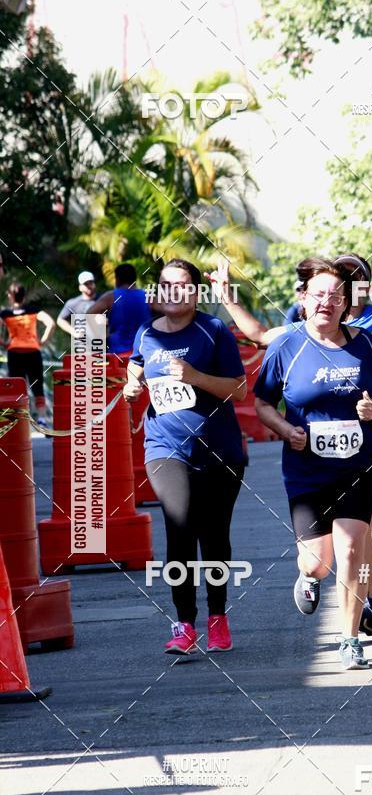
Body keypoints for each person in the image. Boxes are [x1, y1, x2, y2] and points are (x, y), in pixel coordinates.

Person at [213, 249, 372, 634]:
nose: (343, 286)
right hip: (329, 434)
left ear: (363, 287)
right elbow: (263, 337)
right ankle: (366, 602)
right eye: (339, 278)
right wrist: (227, 297)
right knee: (357, 529)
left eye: (353, 277)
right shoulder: (309, 321)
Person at [251, 256, 372, 670]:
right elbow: (262, 403)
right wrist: (286, 430)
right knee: (318, 562)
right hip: (307, 469)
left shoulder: (366, 345)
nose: (326, 303)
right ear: (303, 299)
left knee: (352, 548)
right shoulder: (286, 346)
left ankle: (349, 639)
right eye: (318, 294)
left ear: (346, 303)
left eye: (336, 296)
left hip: (356, 464)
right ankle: (308, 575)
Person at [124, 258, 247, 655]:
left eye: (182, 285)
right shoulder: (146, 333)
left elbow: (239, 389)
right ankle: (184, 624)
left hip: (219, 451)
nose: (173, 292)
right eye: (166, 285)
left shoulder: (213, 330)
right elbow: (136, 367)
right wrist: (131, 387)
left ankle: (217, 616)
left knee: (215, 538)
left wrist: (195, 377)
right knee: (179, 529)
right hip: (164, 447)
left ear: (195, 292)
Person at [0, 283, 55, 427]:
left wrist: (3, 342)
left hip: (15, 352)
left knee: (17, 387)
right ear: (24, 296)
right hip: (33, 352)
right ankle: (42, 419)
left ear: (10, 296)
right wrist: (42, 341)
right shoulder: (33, 310)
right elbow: (51, 323)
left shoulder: (5, 313)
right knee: (37, 386)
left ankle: (20, 420)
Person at [89, 262, 152, 356]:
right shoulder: (147, 296)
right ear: (135, 279)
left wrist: (100, 333)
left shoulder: (111, 296)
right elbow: (166, 310)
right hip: (144, 352)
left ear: (117, 279)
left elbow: (89, 314)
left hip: (119, 353)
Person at [56, 271, 98, 337]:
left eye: (91, 283)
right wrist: (74, 332)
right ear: (80, 287)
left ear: (94, 284)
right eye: (86, 284)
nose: (89, 286)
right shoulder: (73, 303)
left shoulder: (104, 300)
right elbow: (60, 320)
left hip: (103, 341)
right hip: (82, 342)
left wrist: (107, 321)